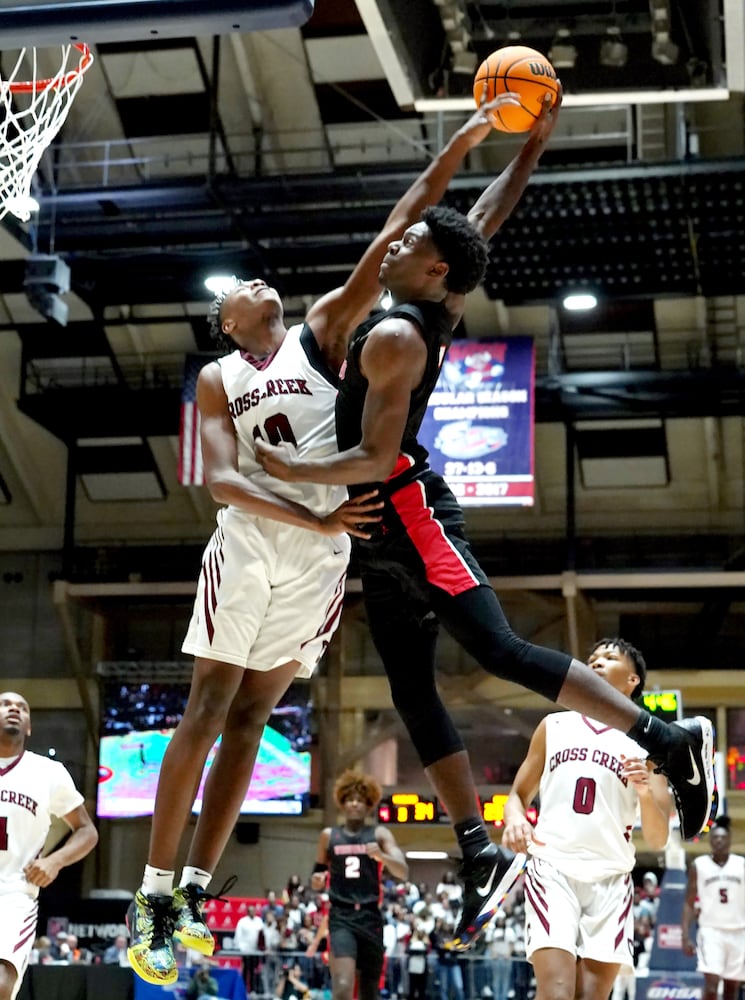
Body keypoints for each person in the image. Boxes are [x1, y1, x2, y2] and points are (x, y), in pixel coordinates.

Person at [254, 98, 717, 950]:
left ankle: (663, 732)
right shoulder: (435, 291)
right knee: (409, 686)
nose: (394, 243)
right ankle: (474, 847)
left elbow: (371, 455)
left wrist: (290, 473)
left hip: (407, 512)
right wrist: (526, 148)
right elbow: (479, 219)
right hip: (375, 533)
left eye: (410, 247)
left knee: (498, 650)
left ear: (432, 276)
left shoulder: (396, 336)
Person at [127, 90, 525, 987]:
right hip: (258, 537)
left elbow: (399, 227)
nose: (252, 285)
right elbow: (225, 481)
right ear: (224, 324)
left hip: (325, 550)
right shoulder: (219, 378)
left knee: (252, 724)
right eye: (235, 293)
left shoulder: (324, 331)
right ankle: (152, 899)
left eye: (256, 284)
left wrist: (459, 141)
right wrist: (309, 510)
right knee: (205, 708)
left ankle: (191, 890)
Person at [501, 638, 671, 1000]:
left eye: (609, 658)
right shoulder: (554, 726)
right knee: (557, 992)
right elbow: (517, 796)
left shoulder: (648, 743)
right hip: (553, 869)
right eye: (591, 659)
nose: (596, 663)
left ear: (633, 680)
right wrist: (515, 819)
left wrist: (643, 792)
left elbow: (658, 839)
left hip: (611, 878)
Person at [0, 691, 98, 1000]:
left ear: (29, 727)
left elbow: (87, 831)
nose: (14, 708)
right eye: (5, 704)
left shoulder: (49, 773)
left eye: (22, 707)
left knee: (1, 982)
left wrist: (54, 861)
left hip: (14, 894)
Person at [310, 770, 408, 1000]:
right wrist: (316, 882)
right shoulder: (328, 836)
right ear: (342, 803)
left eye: (360, 800)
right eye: (350, 799)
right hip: (341, 918)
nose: (355, 804)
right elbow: (316, 877)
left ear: (369, 804)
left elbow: (403, 871)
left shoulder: (379, 834)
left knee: (369, 992)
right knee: (343, 985)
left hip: (370, 917)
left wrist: (384, 857)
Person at [681, 814, 745, 1000]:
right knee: (711, 986)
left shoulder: (741, 865)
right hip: (711, 932)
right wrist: (685, 935)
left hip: (739, 931)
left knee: (731, 989)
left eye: (723, 837)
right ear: (710, 840)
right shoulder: (699, 866)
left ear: (729, 840)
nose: (719, 841)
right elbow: (688, 902)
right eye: (715, 837)